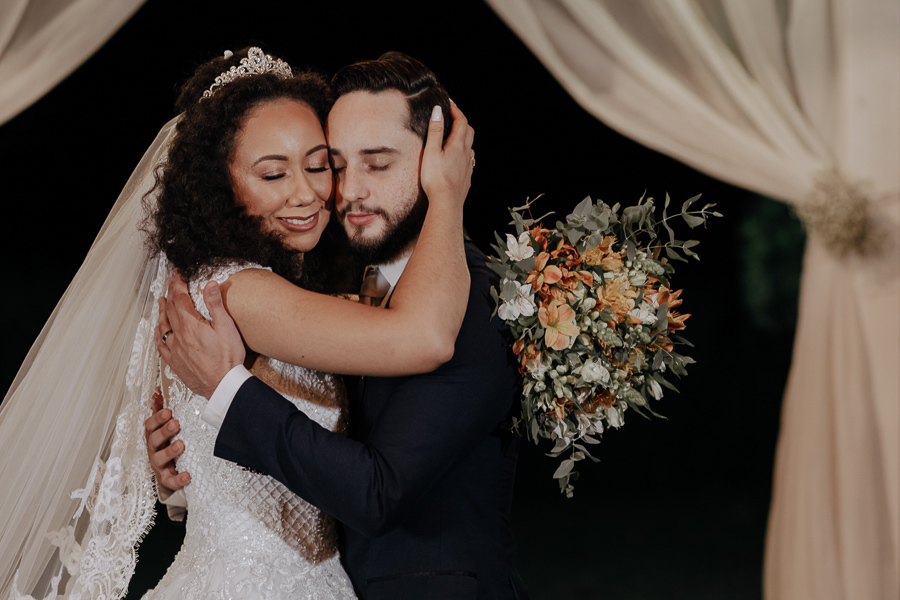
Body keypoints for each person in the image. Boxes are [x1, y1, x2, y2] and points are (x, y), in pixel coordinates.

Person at [0, 46, 474, 599]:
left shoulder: (232, 284)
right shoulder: (237, 292)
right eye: (273, 173)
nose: (307, 193)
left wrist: (176, 479)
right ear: (219, 186)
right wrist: (448, 192)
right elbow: (424, 337)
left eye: (318, 165)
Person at [148, 52, 530, 600]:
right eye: (339, 164)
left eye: (376, 164)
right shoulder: (244, 289)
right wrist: (184, 466)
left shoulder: (469, 297)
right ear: (218, 183)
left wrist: (221, 398)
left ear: (438, 162)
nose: (344, 191)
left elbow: (378, 484)